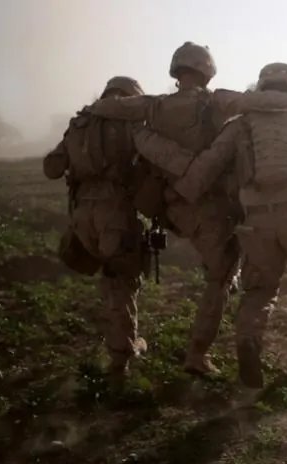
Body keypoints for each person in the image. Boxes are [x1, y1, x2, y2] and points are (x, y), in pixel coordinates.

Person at [132, 62, 287, 393]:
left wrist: (176, 199)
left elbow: (208, 164)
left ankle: (248, 339)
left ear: (262, 87)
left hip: (256, 220)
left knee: (260, 290)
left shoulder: (240, 124)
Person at [85, 42, 244, 377]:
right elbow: (253, 105)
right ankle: (198, 355)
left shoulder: (153, 105)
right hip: (206, 205)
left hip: (171, 208)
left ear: (177, 70)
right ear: (207, 71)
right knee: (223, 272)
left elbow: (109, 107)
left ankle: (123, 344)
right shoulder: (216, 102)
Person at [43, 76, 148, 389]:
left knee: (110, 279)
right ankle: (121, 358)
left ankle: (118, 339)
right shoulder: (128, 121)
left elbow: (51, 167)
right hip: (114, 211)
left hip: (82, 214)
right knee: (122, 281)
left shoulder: (79, 123)